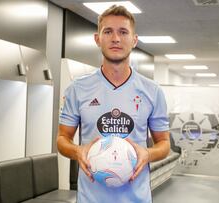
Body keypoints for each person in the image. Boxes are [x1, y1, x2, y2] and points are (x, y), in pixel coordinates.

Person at [57, 5, 170, 203]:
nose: (116, 38)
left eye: (123, 32)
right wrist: (78, 151)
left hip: (137, 198)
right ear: (97, 38)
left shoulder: (152, 91)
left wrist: (147, 154)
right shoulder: (78, 88)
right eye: (108, 31)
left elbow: (164, 144)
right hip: (90, 198)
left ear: (134, 40)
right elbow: (62, 138)